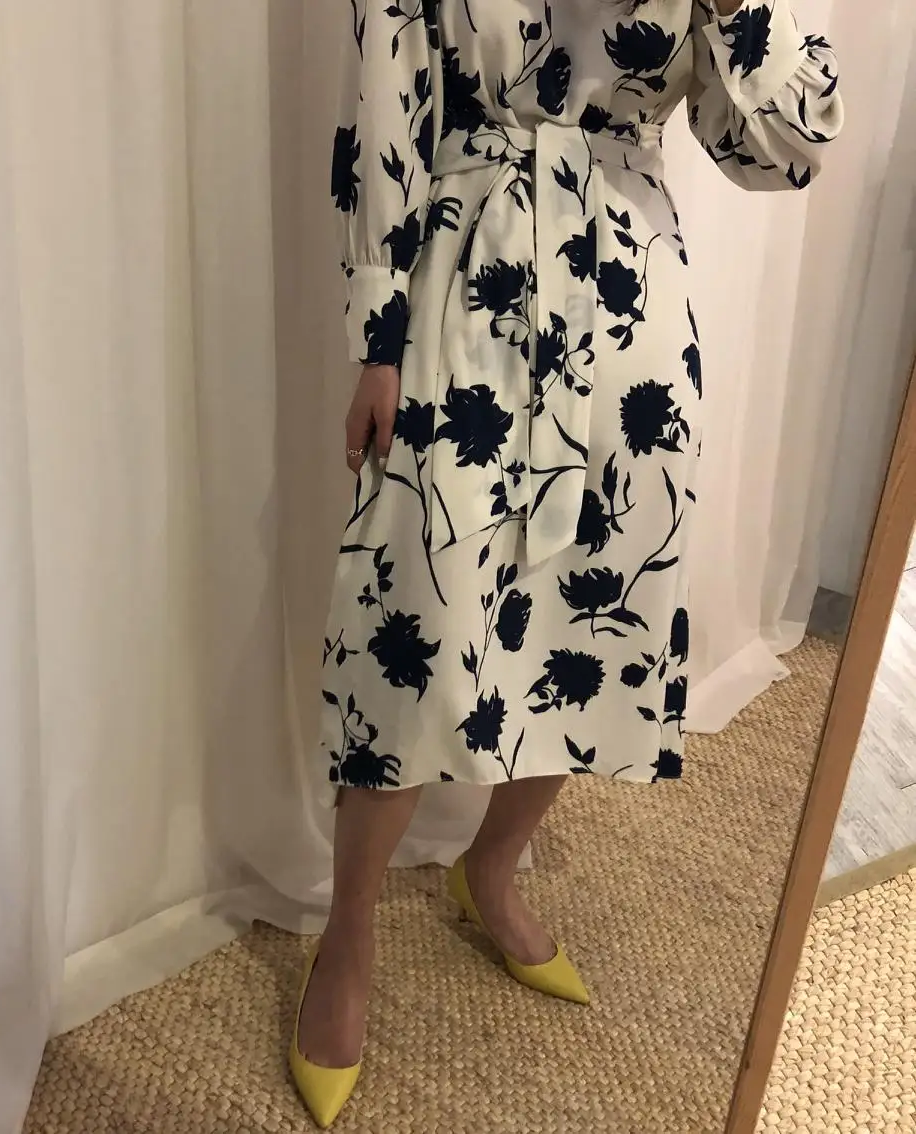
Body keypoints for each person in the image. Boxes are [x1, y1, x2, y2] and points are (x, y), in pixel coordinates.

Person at [290, 1, 843, 1125]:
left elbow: (785, 154)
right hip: (469, 267)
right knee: (420, 625)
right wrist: (377, 338)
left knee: (587, 626)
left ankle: (492, 868)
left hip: (629, 306)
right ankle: (347, 937)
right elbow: (387, 100)